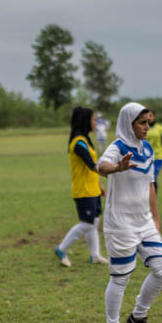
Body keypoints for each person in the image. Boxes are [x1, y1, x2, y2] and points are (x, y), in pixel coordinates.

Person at [97, 102, 162, 323]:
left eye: (148, 122)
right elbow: (101, 166)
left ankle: (138, 316)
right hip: (121, 224)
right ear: (129, 124)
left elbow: (150, 186)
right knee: (120, 277)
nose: (147, 127)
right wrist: (118, 167)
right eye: (142, 123)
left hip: (144, 222)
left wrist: (156, 219)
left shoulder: (147, 148)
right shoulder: (117, 147)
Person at [54, 106, 108, 266]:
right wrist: (114, 170)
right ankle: (61, 249)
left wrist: (99, 184)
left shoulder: (85, 140)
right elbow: (93, 165)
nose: (96, 122)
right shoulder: (78, 142)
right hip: (84, 190)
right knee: (87, 223)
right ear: (85, 121)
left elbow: (92, 168)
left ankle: (95, 255)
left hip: (92, 188)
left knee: (94, 222)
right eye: (93, 119)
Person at [145, 110, 162, 193]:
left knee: (153, 177)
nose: (149, 118)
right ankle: (147, 196)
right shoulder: (143, 128)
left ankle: (154, 197)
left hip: (157, 157)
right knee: (145, 177)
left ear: (154, 117)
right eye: (147, 116)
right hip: (145, 157)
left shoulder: (161, 129)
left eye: (151, 115)